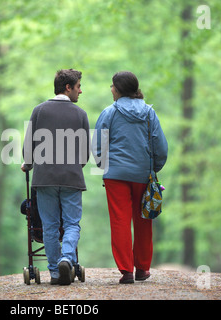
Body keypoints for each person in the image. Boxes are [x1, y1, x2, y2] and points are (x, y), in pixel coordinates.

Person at [93, 71, 168, 284]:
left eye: (112, 86)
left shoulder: (109, 113)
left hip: (115, 175)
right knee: (143, 220)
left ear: (117, 89)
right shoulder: (149, 113)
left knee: (120, 220)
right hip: (143, 174)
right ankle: (142, 269)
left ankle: (126, 270)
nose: (110, 89)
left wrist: (104, 166)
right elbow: (160, 145)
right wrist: (154, 168)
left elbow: (98, 145)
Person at [21, 69, 90, 285]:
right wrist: (73, 166)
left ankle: (55, 272)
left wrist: (28, 164)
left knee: (49, 226)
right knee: (71, 224)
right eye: (78, 86)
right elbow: (84, 154)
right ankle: (67, 259)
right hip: (71, 178)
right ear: (67, 87)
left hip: (44, 178)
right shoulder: (80, 114)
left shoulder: (39, 111)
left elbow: (28, 148)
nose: (81, 90)